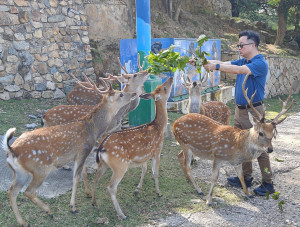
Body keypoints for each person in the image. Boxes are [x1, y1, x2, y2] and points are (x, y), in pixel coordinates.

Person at [202, 30, 275, 196]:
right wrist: (203, 61)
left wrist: (216, 67)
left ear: (252, 45)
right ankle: (247, 177)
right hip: (240, 110)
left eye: (241, 45)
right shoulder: (244, 59)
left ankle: (268, 183)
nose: (239, 48)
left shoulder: (259, 63)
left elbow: (240, 70)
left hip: (254, 113)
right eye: (238, 45)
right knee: (241, 144)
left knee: (261, 147)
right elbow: (223, 62)